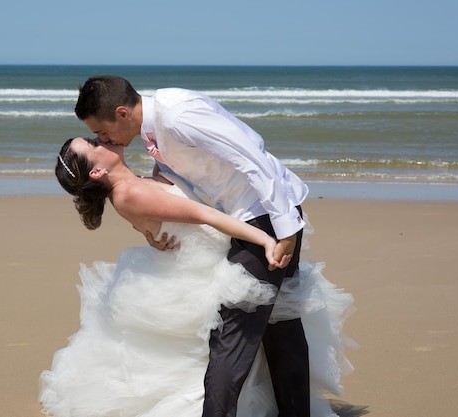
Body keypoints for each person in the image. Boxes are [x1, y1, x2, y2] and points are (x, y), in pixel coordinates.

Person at [39, 137, 354, 417]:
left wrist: (159, 143)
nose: (100, 140)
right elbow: (207, 215)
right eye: (93, 146)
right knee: (227, 344)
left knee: (247, 337)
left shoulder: (134, 186)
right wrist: (267, 239)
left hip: (207, 258)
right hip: (207, 262)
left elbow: (170, 184)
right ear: (96, 172)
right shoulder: (131, 193)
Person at [72, 75, 311, 417]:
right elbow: (185, 174)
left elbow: (249, 155)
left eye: (101, 131)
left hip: (265, 217)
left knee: (230, 339)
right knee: (280, 324)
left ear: (122, 113)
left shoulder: (178, 116)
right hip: (255, 216)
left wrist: (286, 227)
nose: (102, 139)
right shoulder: (156, 129)